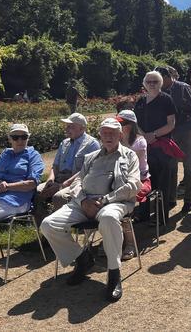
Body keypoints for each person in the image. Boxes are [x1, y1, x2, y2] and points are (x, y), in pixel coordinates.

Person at [40, 118, 141, 302]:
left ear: (120, 135)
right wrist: (84, 200)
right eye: (105, 132)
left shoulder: (129, 156)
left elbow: (134, 184)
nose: (108, 136)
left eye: (112, 133)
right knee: (48, 225)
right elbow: (77, 182)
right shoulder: (90, 157)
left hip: (113, 203)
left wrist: (105, 200)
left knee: (109, 218)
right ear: (100, 135)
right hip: (84, 203)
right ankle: (82, 258)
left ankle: (114, 273)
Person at [33, 113, 100, 225]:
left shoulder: (92, 144)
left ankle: (61, 229)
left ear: (82, 128)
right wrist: (50, 179)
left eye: (71, 126)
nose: (67, 129)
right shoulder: (64, 143)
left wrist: (62, 185)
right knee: (37, 192)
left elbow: (86, 170)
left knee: (58, 197)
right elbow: (55, 166)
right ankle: (43, 231)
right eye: (67, 126)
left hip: (77, 182)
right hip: (59, 179)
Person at [133, 71, 178, 219]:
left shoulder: (167, 99)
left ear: (160, 83)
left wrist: (153, 135)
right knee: (144, 178)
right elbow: (135, 123)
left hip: (161, 147)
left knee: (162, 182)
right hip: (144, 147)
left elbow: (171, 124)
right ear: (144, 83)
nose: (152, 84)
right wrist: (143, 136)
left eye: (155, 82)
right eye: (149, 82)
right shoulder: (140, 101)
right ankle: (143, 213)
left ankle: (161, 216)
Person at [156, 66, 191, 214]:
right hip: (169, 133)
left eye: (161, 80)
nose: (159, 83)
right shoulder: (159, 90)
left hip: (185, 129)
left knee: (188, 166)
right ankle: (171, 198)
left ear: (168, 77)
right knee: (171, 166)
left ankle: (188, 200)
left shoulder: (183, 87)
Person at [116, 109, 150, 260]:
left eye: (121, 123)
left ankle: (129, 243)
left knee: (124, 201)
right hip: (119, 181)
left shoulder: (139, 142)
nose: (118, 125)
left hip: (140, 180)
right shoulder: (116, 140)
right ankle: (114, 240)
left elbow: (132, 168)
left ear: (130, 125)